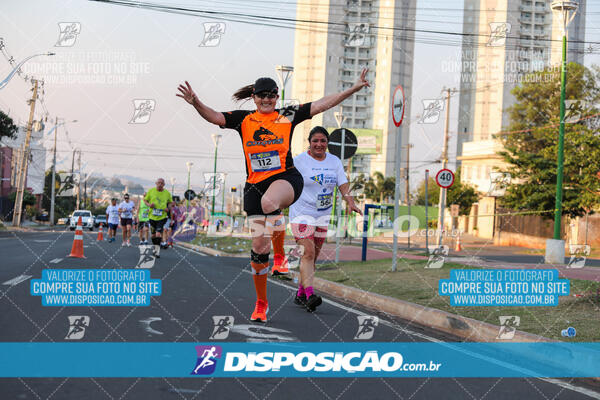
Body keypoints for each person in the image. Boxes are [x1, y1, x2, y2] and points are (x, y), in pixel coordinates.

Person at [177, 68, 370, 322]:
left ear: (277, 97)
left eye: (271, 96)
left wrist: (353, 88)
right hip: (254, 186)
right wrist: (196, 103)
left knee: (271, 202)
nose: (266, 100)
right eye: (262, 96)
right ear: (254, 97)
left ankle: (280, 256)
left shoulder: (287, 115)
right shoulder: (243, 119)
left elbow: (322, 104)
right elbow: (214, 117)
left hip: (286, 179)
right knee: (258, 247)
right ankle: (261, 303)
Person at [289, 126, 362, 312]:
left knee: (312, 258)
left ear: (327, 143)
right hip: (301, 214)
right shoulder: (299, 161)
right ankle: (310, 295)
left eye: (323, 141)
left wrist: (350, 202)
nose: (319, 144)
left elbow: (343, 185)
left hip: (322, 215)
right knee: (308, 253)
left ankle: (300, 293)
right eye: (315, 141)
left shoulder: (334, 161)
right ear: (309, 142)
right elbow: (286, 181)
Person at [145, 178, 173, 258]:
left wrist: (168, 207)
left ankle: (157, 251)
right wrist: (149, 205)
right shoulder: (151, 191)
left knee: (158, 233)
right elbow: (145, 200)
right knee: (153, 235)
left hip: (162, 217)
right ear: (156, 183)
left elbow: (170, 203)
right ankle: (155, 248)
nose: (160, 184)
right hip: (152, 217)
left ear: (164, 184)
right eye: (158, 183)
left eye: (161, 183)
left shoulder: (167, 193)